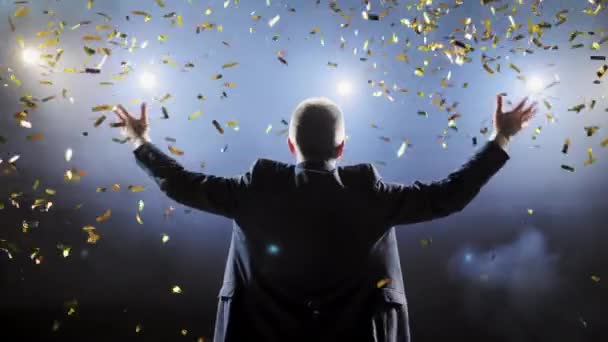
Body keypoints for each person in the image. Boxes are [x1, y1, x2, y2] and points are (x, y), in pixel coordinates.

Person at [113, 95, 536, 342]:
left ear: (290, 145)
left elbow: (179, 183)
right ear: (342, 148)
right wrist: (501, 137)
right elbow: (449, 196)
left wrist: (139, 140)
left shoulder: (258, 187)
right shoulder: (368, 193)